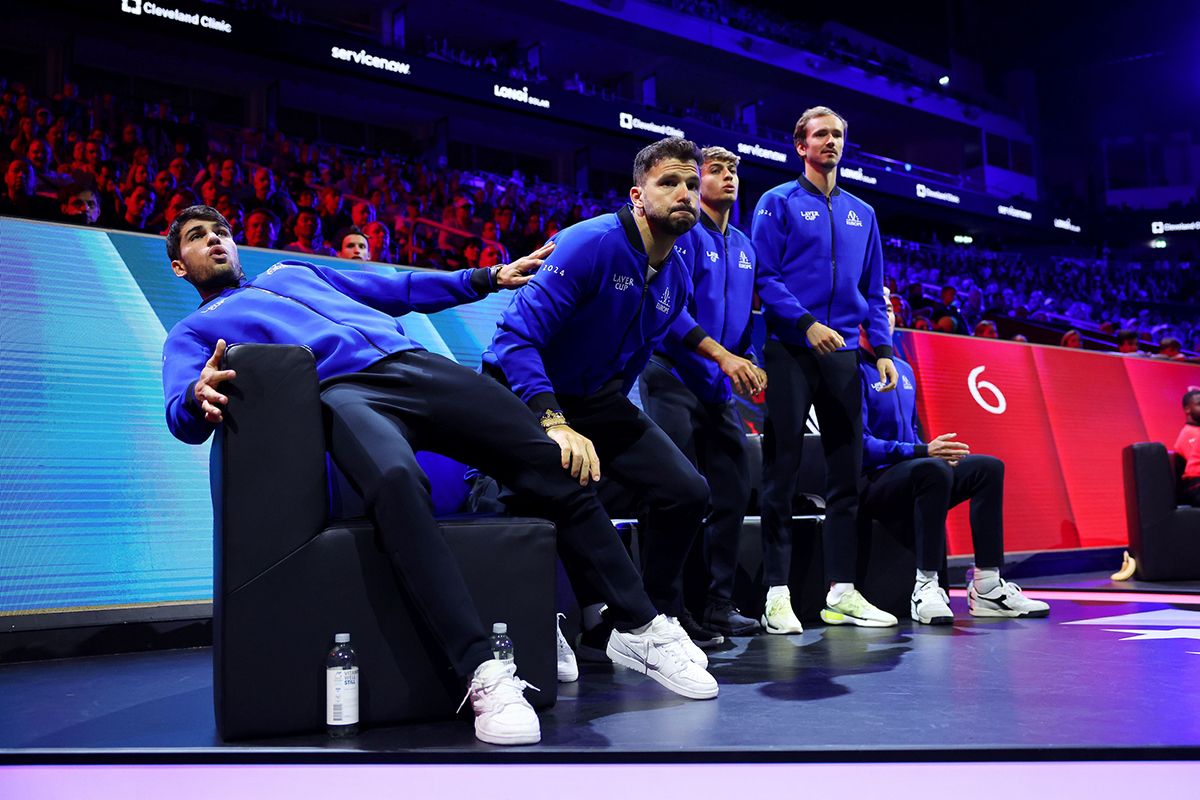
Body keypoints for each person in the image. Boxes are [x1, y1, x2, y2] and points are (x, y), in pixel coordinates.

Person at [162, 206, 715, 744]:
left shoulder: (292, 270)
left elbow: (396, 291)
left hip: (413, 363)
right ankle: (484, 675)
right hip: (343, 393)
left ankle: (639, 628)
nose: (215, 240)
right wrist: (196, 395)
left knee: (549, 461)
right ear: (180, 267)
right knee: (398, 482)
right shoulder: (192, 330)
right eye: (196, 236)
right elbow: (180, 412)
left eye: (222, 231)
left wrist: (486, 277)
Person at [482, 136, 735, 663]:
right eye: (670, 182)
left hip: (597, 399)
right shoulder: (588, 244)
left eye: (692, 182)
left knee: (686, 490)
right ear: (637, 195)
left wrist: (601, 418)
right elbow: (514, 341)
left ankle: (648, 620)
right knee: (545, 493)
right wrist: (554, 421)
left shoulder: (678, 275)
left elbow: (636, 356)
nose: (685, 192)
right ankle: (560, 618)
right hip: (524, 393)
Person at [751, 105, 899, 630]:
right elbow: (765, 277)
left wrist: (881, 349)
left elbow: (873, 291)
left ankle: (842, 590)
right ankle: (777, 593)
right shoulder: (776, 203)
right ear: (801, 145)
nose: (831, 141)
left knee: (845, 474)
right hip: (791, 350)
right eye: (821, 134)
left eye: (838, 133)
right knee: (782, 472)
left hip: (843, 356)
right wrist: (807, 322)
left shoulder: (864, 213)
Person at [857, 289, 1050, 623]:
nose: (886, 316)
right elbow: (859, 445)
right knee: (933, 470)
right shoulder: (851, 369)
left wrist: (931, 453)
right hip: (872, 482)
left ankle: (988, 586)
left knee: (986, 468)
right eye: (878, 309)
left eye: (889, 310)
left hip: (913, 472)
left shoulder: (903, 370)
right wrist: (924, 453)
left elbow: (913, 435)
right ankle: (926, 587)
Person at [639, 145, 766, 637]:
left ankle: (717, 602)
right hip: (672, 375)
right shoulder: (682, 233)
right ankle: (668, 609)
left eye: (734, 170)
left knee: (732, 490)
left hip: (716, 387)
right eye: (716, 170)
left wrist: (745, 359)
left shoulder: (745, 245)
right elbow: (671, 313)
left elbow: (743, 319)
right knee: (674, 492)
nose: (728, 177)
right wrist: (723, 356)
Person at [1176, 389, 1200, 507]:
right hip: (1193, 486)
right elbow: (1194, 470)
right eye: (1199, 404)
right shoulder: (1189, 434)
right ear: (1187, 409)